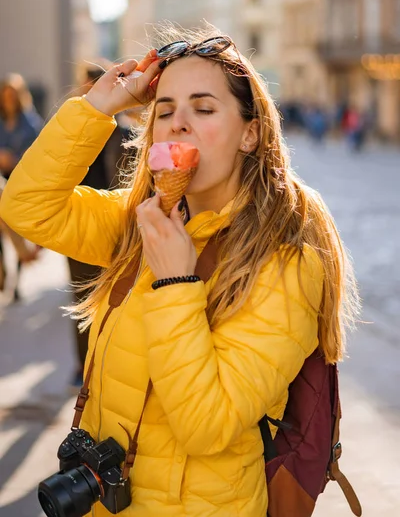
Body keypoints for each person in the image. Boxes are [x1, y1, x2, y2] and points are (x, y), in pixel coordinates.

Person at [0, 26, 359, 517]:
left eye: (204, 108)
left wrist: (175, 282)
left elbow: (206, 424)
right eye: (165, 111)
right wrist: (97, 107)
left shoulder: (287, 259)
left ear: (250, 133)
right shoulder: (139, 222)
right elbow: (26, 207)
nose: (177, 124)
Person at [67, 61, 133, 389]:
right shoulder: (79, 128)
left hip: (109, 224)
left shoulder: (124, 133)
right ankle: (85, 367)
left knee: (103, 302)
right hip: (83, 220)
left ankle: (97, 367)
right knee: (85, 300)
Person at [0, 77, 42, 298]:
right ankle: (3, 273)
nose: (9, 100)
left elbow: (36, 153)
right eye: (5, 96)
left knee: (15, 226)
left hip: (19, 179)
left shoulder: (31, 122)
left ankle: (16, 282)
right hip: (0, 178)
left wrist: (14, 159)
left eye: (12, 96)